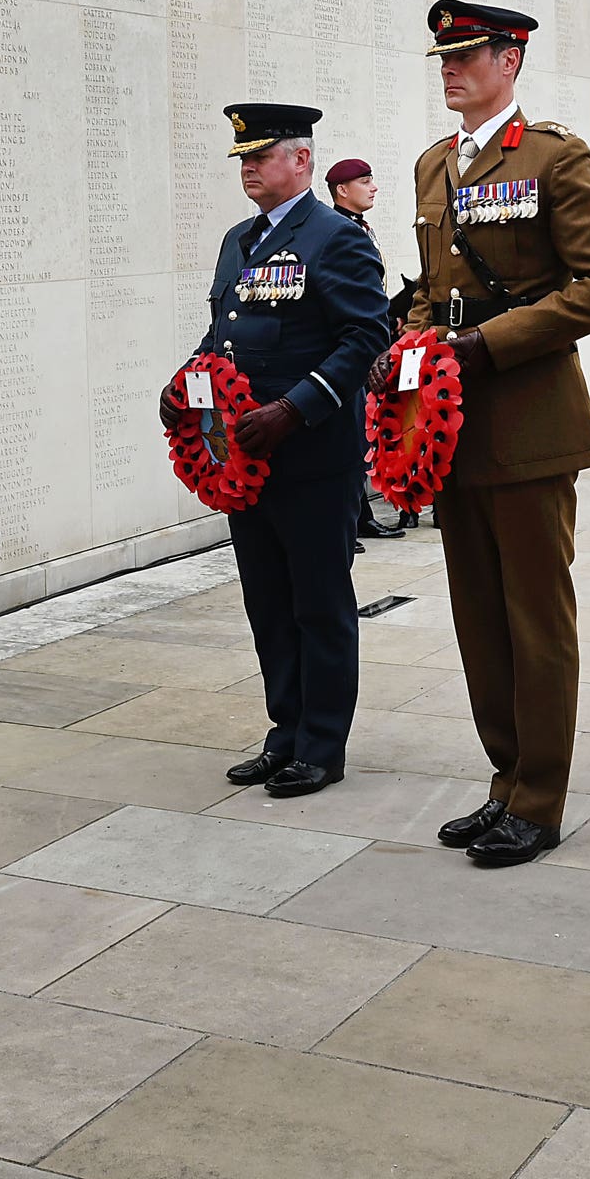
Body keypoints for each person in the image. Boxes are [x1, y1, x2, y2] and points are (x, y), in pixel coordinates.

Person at [395, 0, 590, 867]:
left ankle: (541, 796)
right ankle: (503, 778)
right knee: (478, 615)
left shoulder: (553, 156)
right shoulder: (433, 165)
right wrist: (417, 344)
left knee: (535, 616)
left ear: (512, 60)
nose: (451, 67)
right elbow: (429, 286)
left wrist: (486, 344)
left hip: (530, 418)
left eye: (469, 53)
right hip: (450, 425)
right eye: (445, 55)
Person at [164, 105, 391, 799]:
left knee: (319, 601)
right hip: (245, 459)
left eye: (260, 155)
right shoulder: (239, 240)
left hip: (312, 457)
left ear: (302, 160)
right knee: (268, 600)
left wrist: (295, 407)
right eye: (242, 158)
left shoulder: (333, 237)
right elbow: (222, 334)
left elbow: (365, 335)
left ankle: (322, 744)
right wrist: (186, 387)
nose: (248, 167)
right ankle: (285, 731)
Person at [325, 156, 406, 542]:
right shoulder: (336, 231)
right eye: (365, 181)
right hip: (346, 348)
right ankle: (349, 521)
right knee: (349, 436)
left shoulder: (358, 227)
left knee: (360, 433)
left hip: (368, 340)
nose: (373, 187)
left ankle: (359, 517)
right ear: (343, 190)